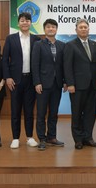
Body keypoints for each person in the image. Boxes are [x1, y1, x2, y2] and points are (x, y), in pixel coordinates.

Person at [63, 19, 96, 150]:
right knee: (76, 113)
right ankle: (78, 139)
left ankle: (88, 137)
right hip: (76, 86)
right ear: (76, 30)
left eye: (85, 27)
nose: (83, 29)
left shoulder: (95, 45)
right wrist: (69, 83)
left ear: (88, 29)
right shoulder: (70, 45)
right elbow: (67, 66)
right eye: (80, 27)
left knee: (90, 113)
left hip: (92, 85)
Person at [2, 12, 40, 149]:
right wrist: (7, 77)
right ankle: (15, 138)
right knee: (15, 110)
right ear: (18, 23)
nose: (25, 23)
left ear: (31, 23)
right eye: (22, 20)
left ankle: (30, 137)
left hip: (31, 80)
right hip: (15, 81)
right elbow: (5, 59)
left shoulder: (36, 39)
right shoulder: (10, 38)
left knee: (29, 110)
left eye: (27, 20)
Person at [32, 19, 66, 150]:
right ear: (44, 29)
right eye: (48, 27)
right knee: (41, 113)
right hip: (43, 84)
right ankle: (41, 138)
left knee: (54, 112)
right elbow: (35, 65)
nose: (51, 29)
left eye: (53, 27)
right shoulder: (38, 45)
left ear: (56, 29)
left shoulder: (62, 45)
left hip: (57, 84)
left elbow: (64, 66)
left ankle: (52, 137)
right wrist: (37, 82)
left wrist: (65, 81)